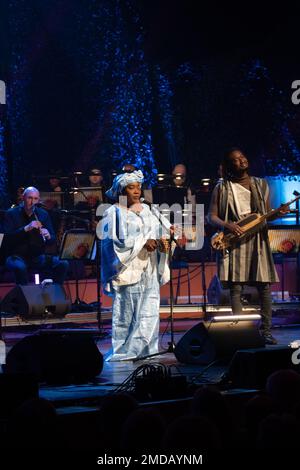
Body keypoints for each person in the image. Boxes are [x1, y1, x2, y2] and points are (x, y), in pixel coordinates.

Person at [208, 148, 289, 345]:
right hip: (234, 241)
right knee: (236, 289)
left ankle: (266, 331)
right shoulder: (223, 188)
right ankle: (241, 332)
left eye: (243, 157)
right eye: (235, 160)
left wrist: (279, 213)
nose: (241, 160)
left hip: (257, 240)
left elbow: (265, 215)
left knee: (265, 287)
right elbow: (212, 216)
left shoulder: (261, 184)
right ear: (229, 166)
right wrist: (228, 225)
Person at [100, 170, 171, 361]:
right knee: (126, 312)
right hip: (129, 269)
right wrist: (142, 242)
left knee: (149, 310)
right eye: (131, 187)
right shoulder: (113, 212)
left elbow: (160, 232)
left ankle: (147, 349)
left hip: (149, 267)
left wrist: (163, 240)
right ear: (122, 191)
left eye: (139, 187)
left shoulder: (149, 210)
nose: (137, 191)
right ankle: (124, 350)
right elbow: (114, 242)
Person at [3, 186, 69, 285]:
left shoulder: (43, 214)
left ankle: (54, 293)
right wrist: (26, 228)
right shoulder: (11, 213)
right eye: (29, 198)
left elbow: (52, 239)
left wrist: (48, 236)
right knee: (20, 267)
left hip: (36, 257)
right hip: (15, 256)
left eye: (35, 199)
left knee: (63, 264)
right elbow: (5, 239)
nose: (32, 202)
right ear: (23, 198)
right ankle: (24, 298)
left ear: (38, 200)